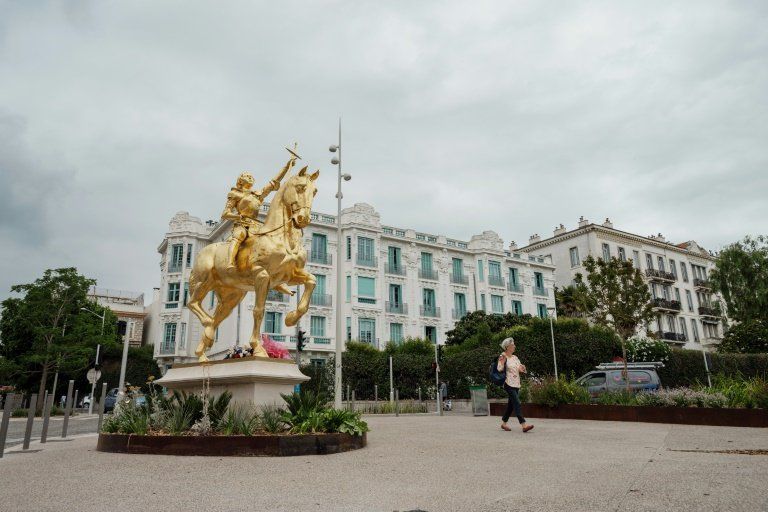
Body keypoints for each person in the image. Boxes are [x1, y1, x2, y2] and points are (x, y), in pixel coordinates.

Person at [221, 153, 297, 270]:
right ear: (240, 181)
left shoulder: (257, 195)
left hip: (256, 226)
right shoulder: (234, 194)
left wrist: (287, 166)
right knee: (239, 236)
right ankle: (230, 262)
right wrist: (238, 217)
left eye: (251, 176)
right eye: (246, 176)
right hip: (242, 224)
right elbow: (225, 214)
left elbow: (273, 183)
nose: (250, 177)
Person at [497, 337, 534, 433]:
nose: (514, 346)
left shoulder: (515, 357)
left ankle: (504, 423)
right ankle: (524, 425)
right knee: (517, 402)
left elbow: (520, 369)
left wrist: (523, 368)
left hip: (516, 383)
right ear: (507, 347)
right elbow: (499, 368)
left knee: (511, 405)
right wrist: (503, 363)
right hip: (508, 383)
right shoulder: (502, 356)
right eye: (513, 345)